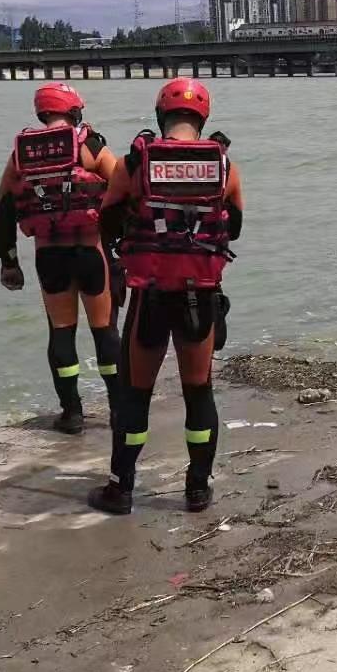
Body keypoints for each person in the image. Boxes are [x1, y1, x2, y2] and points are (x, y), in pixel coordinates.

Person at [88, 78, 244, 515]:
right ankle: (196, 489)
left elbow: (109, 219)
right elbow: (233, 228)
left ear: (161, 115)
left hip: (150, 296)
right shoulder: (225, 165)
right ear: (203, 117)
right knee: (199, 391)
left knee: (136, 393)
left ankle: (122, 489)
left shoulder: (135, 163)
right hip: (201, 297)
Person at [0, 83, 122, 435]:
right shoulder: (89, 144)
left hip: (48, 256)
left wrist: (8, 259)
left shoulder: (22, 153)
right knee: (104, 332)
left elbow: (5, 205)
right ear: (74, 110)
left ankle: (71, 413)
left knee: (61, 332)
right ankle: (117, 409)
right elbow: (123, 188)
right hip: (90, 252)